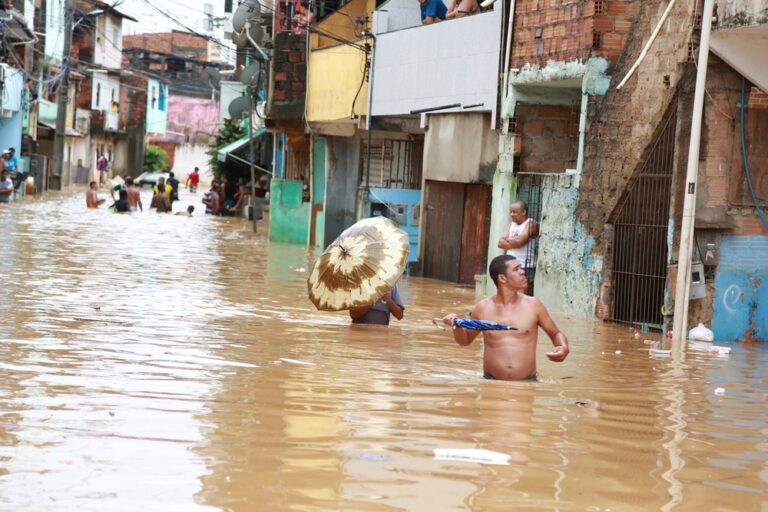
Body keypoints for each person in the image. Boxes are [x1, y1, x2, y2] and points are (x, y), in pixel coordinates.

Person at [442, 254, 568, 381]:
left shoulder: (534, 305)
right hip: (491, 383)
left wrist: (563, 347)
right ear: (502, 278)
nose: (522, 272)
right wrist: (456, 325)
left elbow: (555, 333)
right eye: (516, 269)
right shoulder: (482, 308)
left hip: (527, 384)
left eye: (521, 267)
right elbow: (465, 341)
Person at [498, 200, 539, 296]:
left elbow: (519, 242)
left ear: (524, 212)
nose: (512, 214)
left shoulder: (531, 223)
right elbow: (500, 243)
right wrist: (514, 242)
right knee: (509, 293)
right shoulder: (511, 224)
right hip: (509, 265)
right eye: (511, 212)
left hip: (525, 265)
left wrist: (509, 242)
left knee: (522, 295)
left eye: (515, 212)